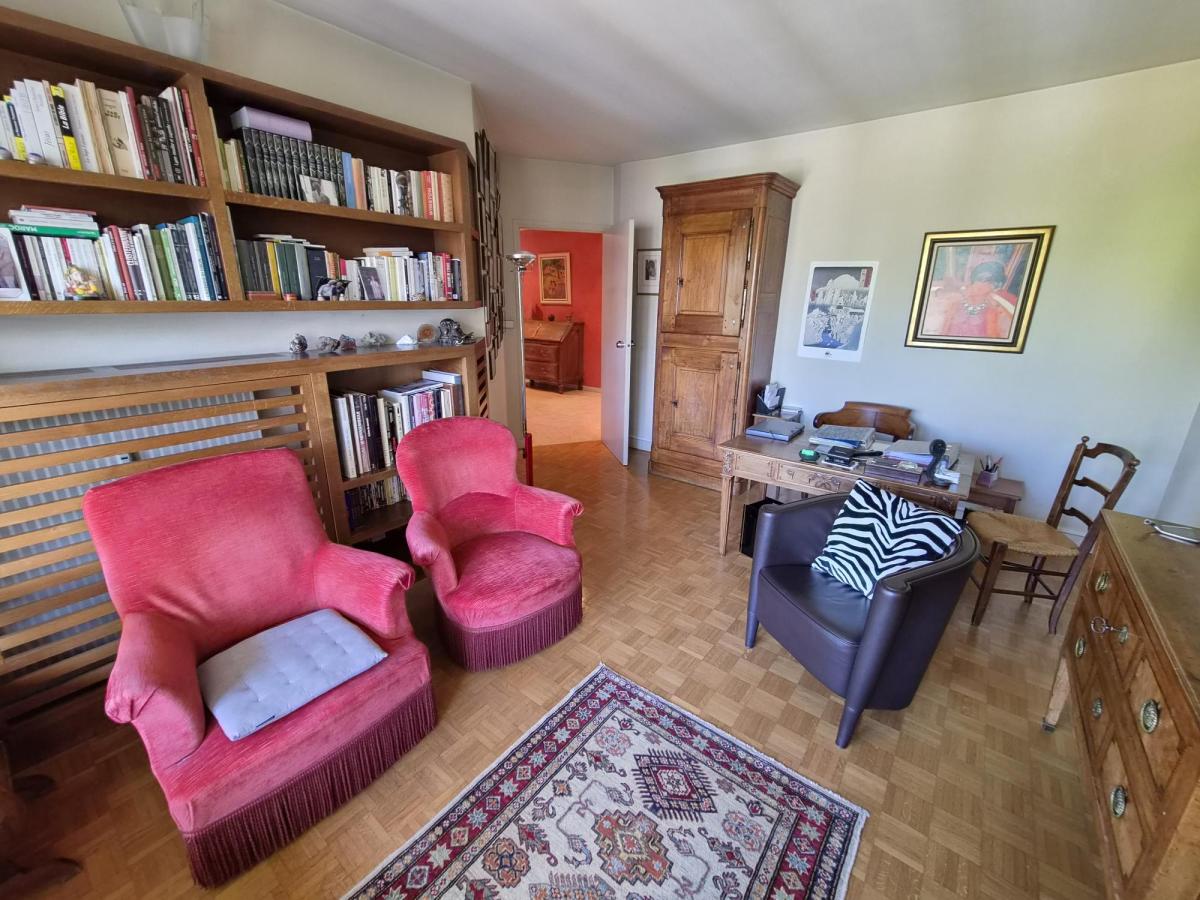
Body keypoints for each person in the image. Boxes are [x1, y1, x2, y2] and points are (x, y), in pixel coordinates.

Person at [924, 259, 1017, 339]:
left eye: (989, 282)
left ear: (995, 287)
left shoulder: (995, 310)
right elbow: (942, 332)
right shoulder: (954, 303)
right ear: (973, 280)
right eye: (980, 279)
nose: (982, 285)